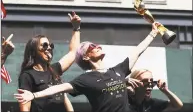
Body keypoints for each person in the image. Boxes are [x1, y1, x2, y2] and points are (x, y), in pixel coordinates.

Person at [15, 22, 161, 112]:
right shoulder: (85, 79)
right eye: (92, 46)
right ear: (86, 56)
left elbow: (137, 51)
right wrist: (33, 95)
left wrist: (153, 33)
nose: (97, 46)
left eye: (96, 44)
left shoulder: (118, 71)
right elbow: (59, 88)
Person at [17, 11, 81, 112]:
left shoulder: (54, 69)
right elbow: (25, 107)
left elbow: (73, 53)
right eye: (44, 45)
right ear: (34, 52)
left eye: (51, 45)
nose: (49, 48)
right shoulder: (27, 75)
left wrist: (76, 28)